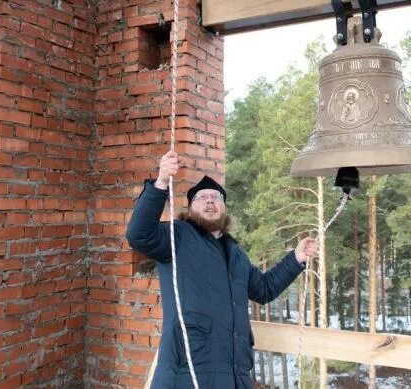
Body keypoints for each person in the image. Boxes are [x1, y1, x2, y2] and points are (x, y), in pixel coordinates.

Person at [126, 150, 319, 388]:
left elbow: (264, 289)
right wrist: (162, 182)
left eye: (216, 197)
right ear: (189, 209)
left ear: (224, 208)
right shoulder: (177, 236)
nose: (210, 201)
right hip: (188, 374)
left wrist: (297, 257)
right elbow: (139, 235)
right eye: (201, 197)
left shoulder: (236, 253)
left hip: (235, 374)